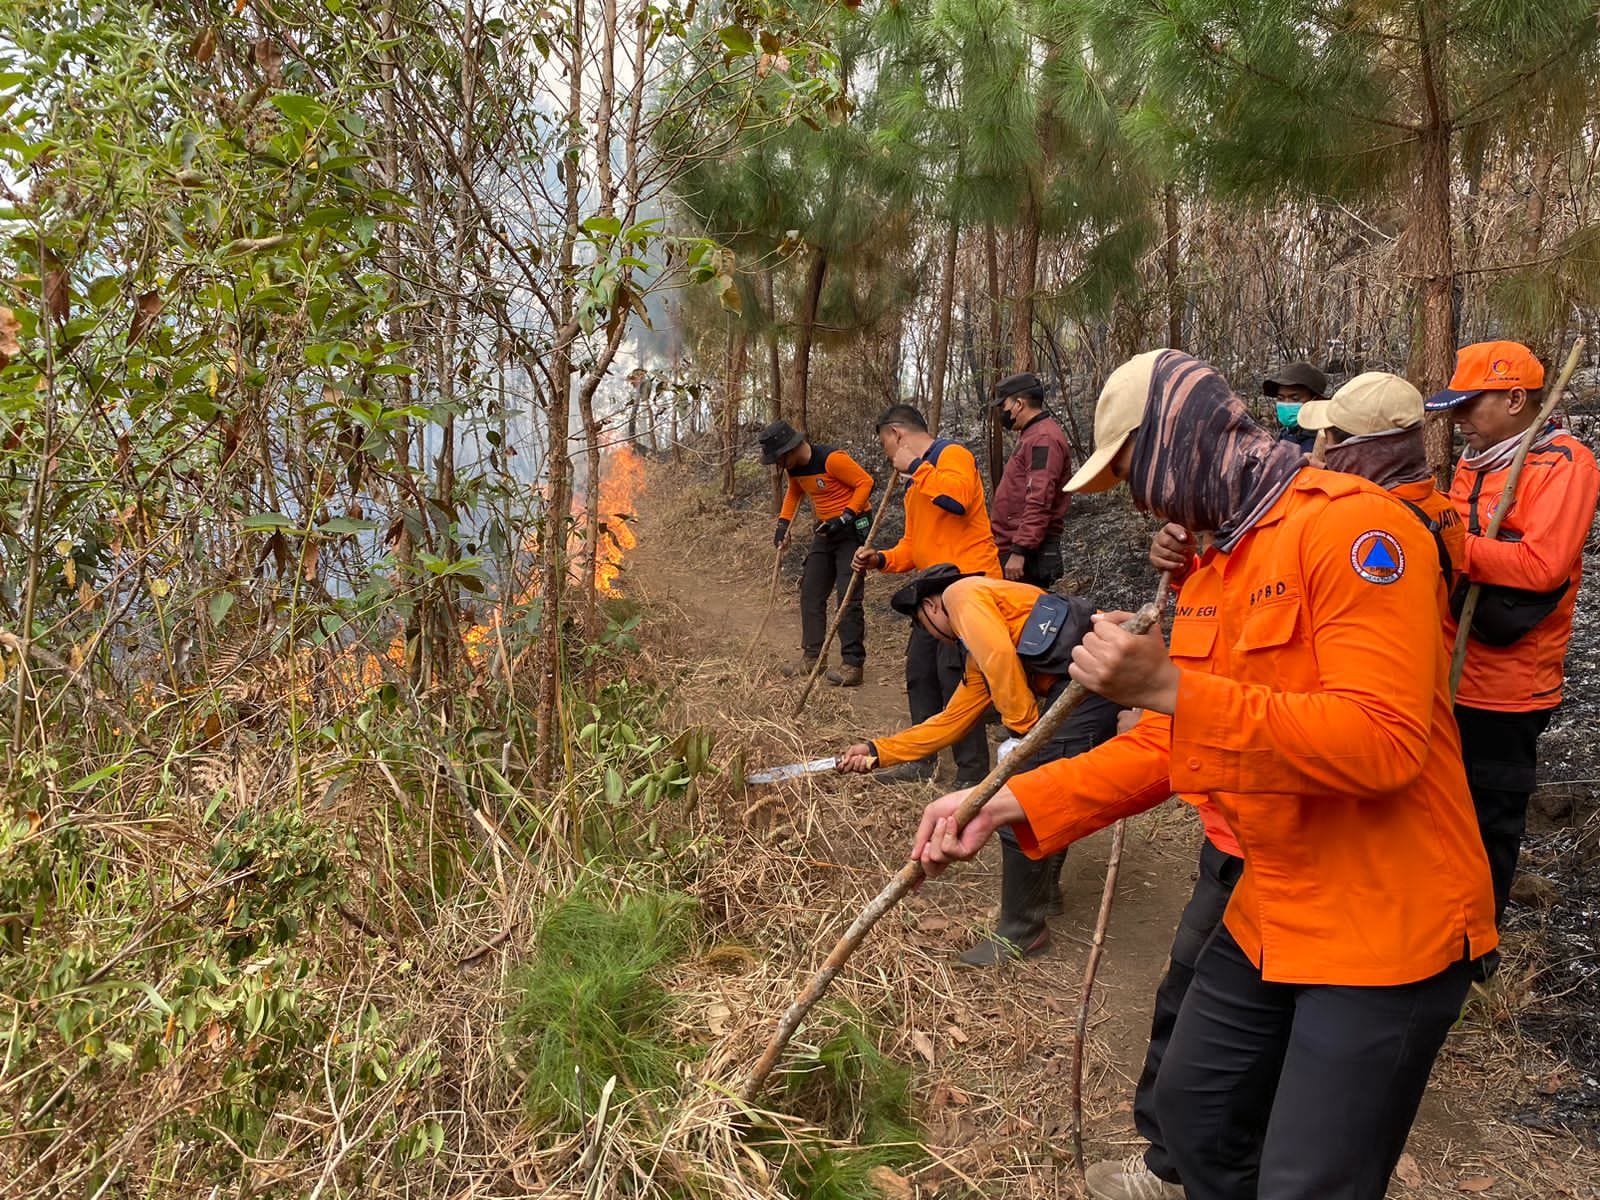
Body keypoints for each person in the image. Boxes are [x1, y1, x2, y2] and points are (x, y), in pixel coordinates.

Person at [913, 349, 1497, 1200]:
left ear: (1178, 442)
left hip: (1388, 919)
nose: (1144, 501)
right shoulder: (1217, 566)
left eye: (1136, 473)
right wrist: (1010, 799)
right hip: (1271, 898)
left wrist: (1167, 685)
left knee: (1310, 1180)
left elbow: (1385, 743)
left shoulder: (1355, 530)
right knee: (1192, 1114)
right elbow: (1170, 743)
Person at [837, 566, 1120, 965]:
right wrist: (877, 750)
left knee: (1020, 800)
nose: (932, 637)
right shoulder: (979, 649)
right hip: (1080, 684)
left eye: (923, 625)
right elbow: (949, 723)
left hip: (1093, 683)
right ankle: (1044, 894)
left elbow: (1000, 657)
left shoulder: (961, 594)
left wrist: (1022, 732)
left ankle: (1022, 932)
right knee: (1046, 786)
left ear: (932, 606)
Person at [1425, 340, 1600, 926]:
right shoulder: (1477, 462)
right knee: (1440, 811)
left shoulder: (1565, 465)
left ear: (1516, 398)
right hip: (1447, 670)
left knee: (1489, 821)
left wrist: (1447, 545)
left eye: (1471, 406)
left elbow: (1541, 565)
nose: (1458, 420)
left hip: (1508, 689)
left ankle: (1476, 950)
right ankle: (1434, 931)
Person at [853, 405, 1002, 784]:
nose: (888, 455)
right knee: (920, 673)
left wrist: (916, 466)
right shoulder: (914, 484)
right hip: (932, 598)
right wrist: (881, 559)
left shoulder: (952, 456)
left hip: (969, 590)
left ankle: (972, 773)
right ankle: (921, 760)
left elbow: (958, 499)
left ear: (897, 433)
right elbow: (913, 545)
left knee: (958, 679)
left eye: (887, 444)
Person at [1297, 371, 1465, 578]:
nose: (1326, 451)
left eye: (1328, 439)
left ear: (1351, 451)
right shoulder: (1439, 504)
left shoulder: (1368, 526)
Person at [758, 420, 875, 687]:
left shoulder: (832, 460)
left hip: (851, 531)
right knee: (811, 591)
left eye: (779, 458)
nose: (779, 464)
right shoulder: (795, 469)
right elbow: (794, 493)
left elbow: (865, 482)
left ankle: (853, 664)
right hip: (825, 531)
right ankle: (813, 657)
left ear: (792, 448)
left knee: (848, 597)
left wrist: (846, 517)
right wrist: (782, 525)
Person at [990, 372, 1074, 588]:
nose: (1003, 412)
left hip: (1027, 554)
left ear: (1018, 404)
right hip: (1016, 546)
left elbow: (1040, 497)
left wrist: (1020, 550)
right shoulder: (1033, 435)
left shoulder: (1042, 439)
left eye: (1004, 406)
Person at [1262, 360, 1327, 454]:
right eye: (1280, 398)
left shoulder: (1325, 437)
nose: (1286, 403)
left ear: (1316, 400)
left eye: (1295, 399)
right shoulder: (1286, 432)